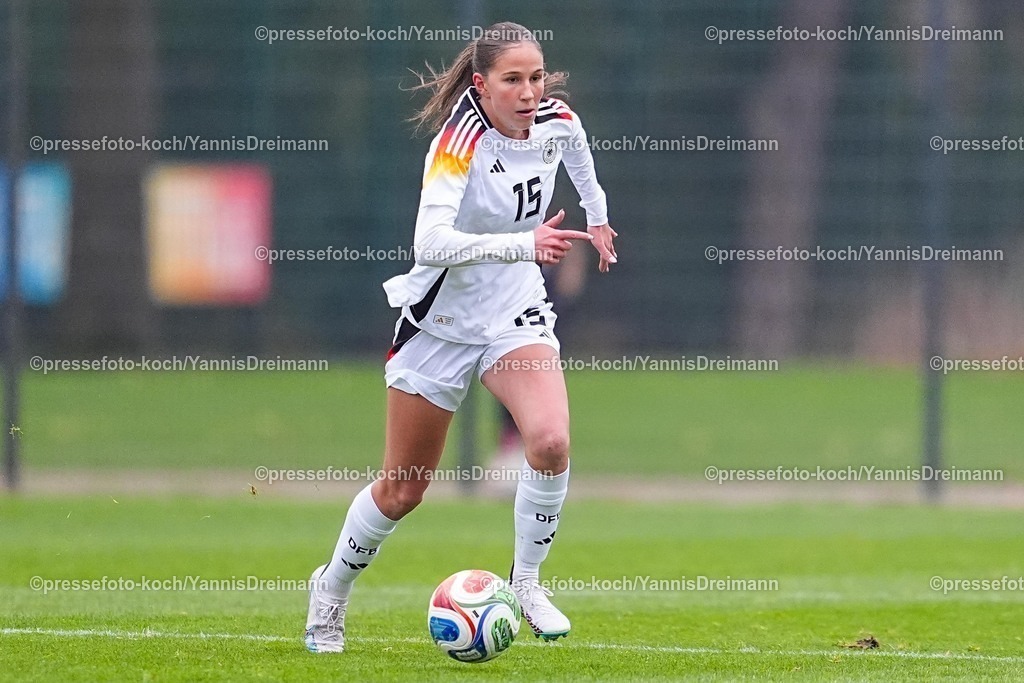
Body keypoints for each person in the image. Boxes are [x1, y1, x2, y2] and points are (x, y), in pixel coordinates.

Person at [305, 21, 617, 653]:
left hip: (513, 312)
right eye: (513, 80)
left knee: (551, 441)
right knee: (402, 490)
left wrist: (599, 218)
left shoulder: (558, 119)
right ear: (482, 84)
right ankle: (331, 589)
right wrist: (523, 244)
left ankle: (525, 581)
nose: (530, 92)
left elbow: (580, 158)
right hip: (440, 322)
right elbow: (430, 244)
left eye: (536, 77)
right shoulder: (458, 142)